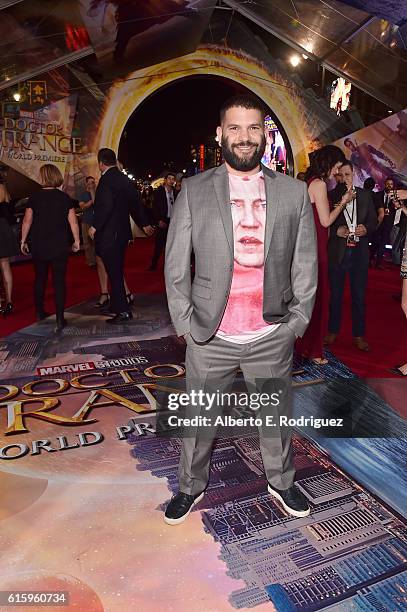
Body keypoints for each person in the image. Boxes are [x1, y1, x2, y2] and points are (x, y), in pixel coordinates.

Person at [164, 94, 317, 525]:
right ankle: (190, 487)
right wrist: (186, 325)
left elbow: (305, 262)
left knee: (275, 418)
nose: (244, 137)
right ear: (220, 134)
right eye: (235, 128)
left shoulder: (294, 193)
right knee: (198, 420)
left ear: (265, 133)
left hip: (271, 332)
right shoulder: (194, 190)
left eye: (253, 128)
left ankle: (281, 480)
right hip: (210, 334)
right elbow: (176, 264)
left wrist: (297, 322)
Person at [296, 145, 355, 365]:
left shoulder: (311, 181)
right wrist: (343, 202)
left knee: (311, 298)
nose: (337, 172)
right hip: (316, 247)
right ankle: (314, 351)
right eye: (337, 167)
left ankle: (306, 347)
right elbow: (326, 220)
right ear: (329, 163)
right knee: (319, 299)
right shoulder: (319, 184)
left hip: (312, 245)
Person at [89, 148, 154, 323]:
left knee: (115, 272)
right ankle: (117, 305)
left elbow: (105, 207)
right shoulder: (123, 179)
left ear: (101, 163)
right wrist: (145, 224)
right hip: (122, 234)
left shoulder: (106, 181)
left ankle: (123, 311)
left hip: (110, 234)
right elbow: (135, 203)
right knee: (115, 269)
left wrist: (94, 227)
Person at [325, 161, 378, 351]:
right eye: (341, 175)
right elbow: (324, 221)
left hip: (359, 253)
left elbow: (373, 220)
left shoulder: (365, 195)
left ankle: (358, 335)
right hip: (338, 253)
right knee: (336, 295)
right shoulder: (332, 196)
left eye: (347, 174)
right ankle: (332, 331)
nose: (344, 178)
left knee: (358, 296)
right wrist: (335, 230)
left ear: (354, 173)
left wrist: (367, 228)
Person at [20, 164, 80, 331]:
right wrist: (76, 240)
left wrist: (23, 241)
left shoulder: (34, 198)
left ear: (43, 177)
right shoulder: (64, 198)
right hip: (59, 244)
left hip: (40, 243)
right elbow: (73, 222)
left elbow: (27, 221)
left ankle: (39, 312)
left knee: (40, 279)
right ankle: (60, 318)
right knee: (59, 281)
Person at [148, 172, 176, 271]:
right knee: (159, 245)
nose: (171, 181)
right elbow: (155, 207)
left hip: (173, 222)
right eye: (170, 178)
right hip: (162, 220)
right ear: (165, 180)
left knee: (172, 245)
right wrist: (158, 220)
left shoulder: (175, 192)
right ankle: (153, 265)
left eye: (173, 179)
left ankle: (168, 266)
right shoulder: (159, 192)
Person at [0, 183, 18, 315]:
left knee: (5, 266)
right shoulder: (4, 188)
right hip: (4, 227)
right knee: (5, 265)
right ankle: (9, 301)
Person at [79, 176, 97, 268]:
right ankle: (91, 261)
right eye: (90, 182)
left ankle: (98, 260)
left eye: (93, 182)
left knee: (97, 242)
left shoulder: (98, 194)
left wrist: (94, 194)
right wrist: (92, 200)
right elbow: (83, 206)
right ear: (86, 184)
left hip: (97, 222)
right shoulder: (83, 195)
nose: (92, 184)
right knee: (87, 243)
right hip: (86, 221)